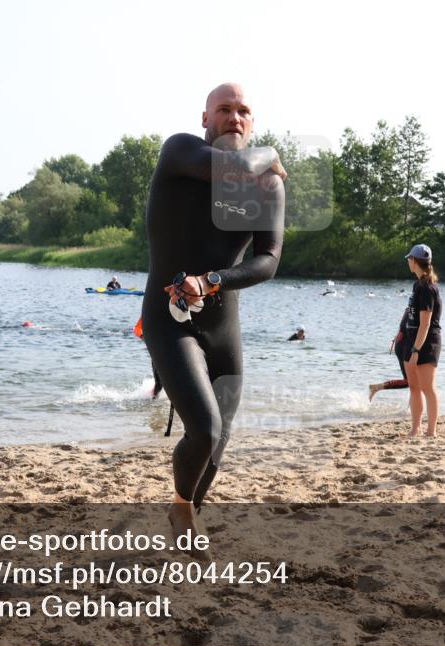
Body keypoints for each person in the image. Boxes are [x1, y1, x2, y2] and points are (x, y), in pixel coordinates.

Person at [141, 82, 286, 541]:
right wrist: (272, 154)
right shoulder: (180, 153)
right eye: (224, 109)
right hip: (168, 318)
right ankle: (183, 510)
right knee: (203, 428)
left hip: (224, 325)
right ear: (205, 118)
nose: (234, 117)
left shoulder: (267, 188)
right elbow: (238, 165)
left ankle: (186, 514)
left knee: (218, 445)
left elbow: (268, 260)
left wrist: (211, 281)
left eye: (244, 111)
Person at [400, 244, 442, 437]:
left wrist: (416, 350)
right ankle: (415, 429)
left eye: (410, 258)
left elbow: (425, 324)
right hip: (411, 338)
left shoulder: (427, 287)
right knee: (414, 387)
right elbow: (413, 315)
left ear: (415, 261)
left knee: (427, 388)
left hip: (426, 342)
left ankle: (431, 431)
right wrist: (401, 331)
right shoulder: (418, 285)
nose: (408, 261)